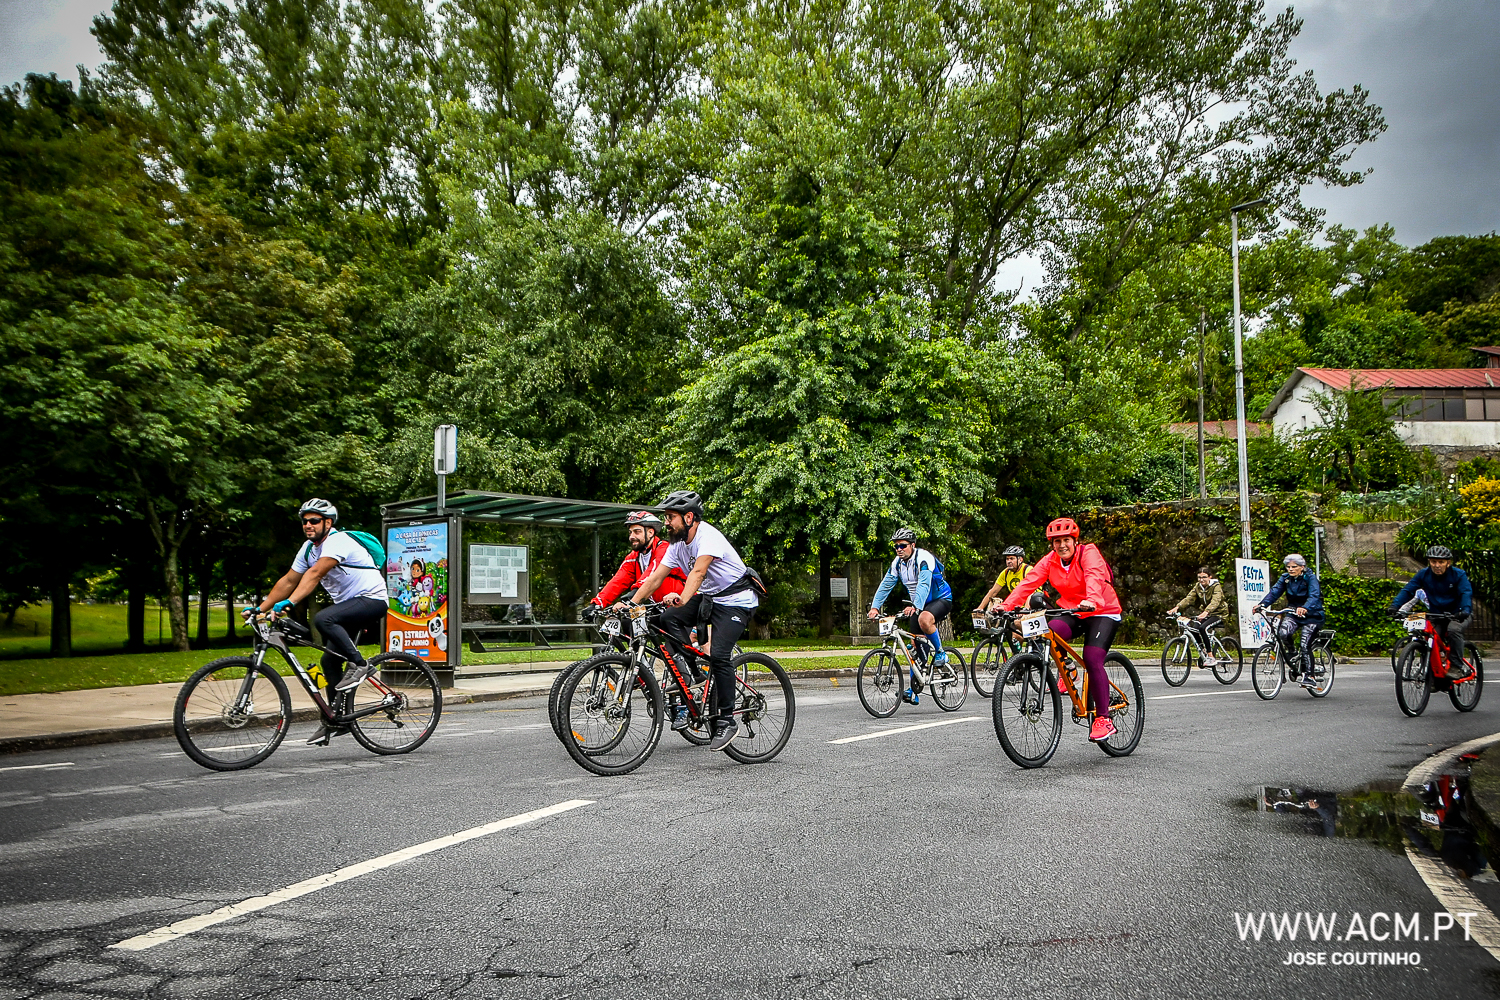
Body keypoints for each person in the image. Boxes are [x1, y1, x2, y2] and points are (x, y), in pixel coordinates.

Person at [628, 491, 759, 751]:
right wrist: (631, 605)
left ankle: (727, 720)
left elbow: (698, 572)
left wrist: (683, 597)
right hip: (711, 598)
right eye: (666, 518)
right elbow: (655, 578)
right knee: (667, 619)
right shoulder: (677, 544)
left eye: (671, 517)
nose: (666, 523)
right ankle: (694, 674)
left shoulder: (707, 536)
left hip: (737, 600)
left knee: (719, 655)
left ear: (689, 518)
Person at [255, 498, 387, 745]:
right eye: (305, 521)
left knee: (323, 618)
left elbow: (315, 574)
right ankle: (338, 718)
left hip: (372, 600)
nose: (308, 525)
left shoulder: (338, 540)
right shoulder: (308, 549)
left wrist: (290, 602)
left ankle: (360, 665)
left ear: (328, 523)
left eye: (314, 520)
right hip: (347, 607)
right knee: (329, 661)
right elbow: (289, 580)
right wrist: (260, 608)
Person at [999, 517, 1123, 743]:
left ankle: (1103, 719)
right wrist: (1006, 606)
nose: (1062, 545)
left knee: (1092, 657)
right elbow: (1028, 583)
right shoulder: (1050, 560)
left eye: (1066, 540)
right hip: (1073, 610)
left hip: (1102, 610)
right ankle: (1068, 669)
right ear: (1052, 544)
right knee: (1050, 633)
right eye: (1057, 541)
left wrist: (1092, 599)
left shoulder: (1088, 553)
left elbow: (1094, 576)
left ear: (1075, 541)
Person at [867, 529, 956, 705]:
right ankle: (914, 690)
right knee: (915, 647)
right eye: (896, 547)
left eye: (903, 546)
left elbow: (924, 584)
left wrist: (916, 606)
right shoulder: (897, 563)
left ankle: (940, 653)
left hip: (940, 599)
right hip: (918, 604)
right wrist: (875, 607)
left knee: (924, 619)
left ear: (912, 545)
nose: (899, 549)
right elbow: (886, 585)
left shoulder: (923, 558)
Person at [1390, 545, 1474, 679]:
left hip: (1458, 614)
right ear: (1429, 562)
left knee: (1453, 630)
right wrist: (1395, 606)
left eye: (1441, 562)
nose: (1437, 565)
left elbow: (1466, 593)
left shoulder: (1458, 575)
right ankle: (1433, 676)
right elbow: (1408, 590)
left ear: (1448, 563)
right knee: (1428, 636)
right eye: (1433, 562)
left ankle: (1456, 666)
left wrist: (1464, 610)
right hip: (1437, 615)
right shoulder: (1424, 574)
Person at [592, 511, 687, 611]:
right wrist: (596, 604)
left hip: (682, 605)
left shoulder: (664, 549)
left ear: (650, 533)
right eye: (630, 532)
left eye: (637, 532)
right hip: (659, 608)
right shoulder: (634, 557)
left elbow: (652, 576)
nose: (631, 537)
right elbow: (617, 581)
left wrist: (632, 596)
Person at [1255, 554, 1324, 687]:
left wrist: (1305, 607)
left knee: (1305, 644)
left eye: (1294, 567)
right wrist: (1262, 604)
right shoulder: (1286, 578)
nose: (1290, 569)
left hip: (1313, 615)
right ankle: (1292, 652)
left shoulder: (1310, 578)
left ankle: (1310, 676)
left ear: (1302, 567)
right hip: (1294, 613)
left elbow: (1314, 595)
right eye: (1288, 567)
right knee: (1283, 632)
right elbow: (1275, 592)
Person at [1171, 566, 1228, 665]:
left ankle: (1211, 657)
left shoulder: (1216, 586)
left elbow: (1216, 601)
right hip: (1206, 613)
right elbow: (1189, 598)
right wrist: (1177, 607)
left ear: (1210, 577)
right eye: (1199, 577)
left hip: (1219, 614)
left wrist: (1206, 612)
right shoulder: (1198, 586)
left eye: (1204, 577)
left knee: (1203, 628)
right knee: (1194, 628)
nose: (1201, 580)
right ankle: (1203, 651)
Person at [974, 546, 1032, 614]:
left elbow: (1031, 592)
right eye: (1007, 559)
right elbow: (993, 591)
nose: (1009, 561)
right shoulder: (1006, 573)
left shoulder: (1027, 570)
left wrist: (1026, 610)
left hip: (1033, 605)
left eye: (1012, 558)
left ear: (1020, 559)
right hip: (1017, 607)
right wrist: (980, 608)